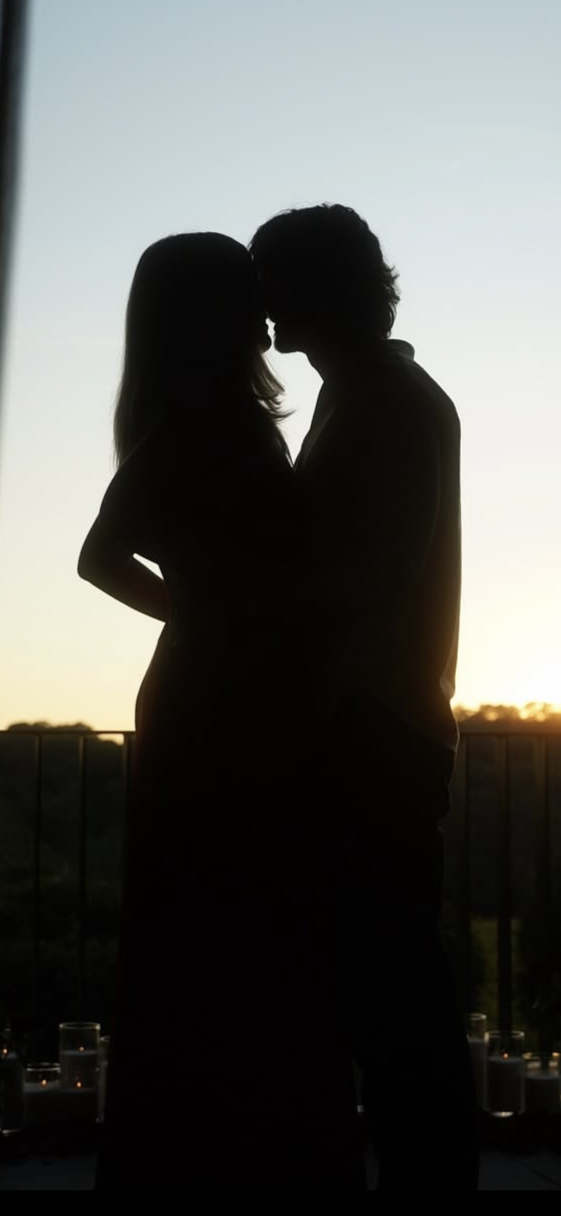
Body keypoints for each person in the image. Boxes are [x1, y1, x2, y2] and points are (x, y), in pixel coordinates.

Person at [78, 232, 363, 1190]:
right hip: (225, 707)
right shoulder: (210, 417)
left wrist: (201, 613)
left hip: (215, 694)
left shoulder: (200, 415)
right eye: (249, 292)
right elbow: (100, 554)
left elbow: (113, 558)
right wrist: (211, 615)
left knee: (210, 937)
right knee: (244, 933)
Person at [250, 204, 480, 1190]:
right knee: (390, 987)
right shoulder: (382, 394)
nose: (261, 314)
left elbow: (367, 570)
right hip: (385, 722)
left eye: (272, 286)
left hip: (372, 728)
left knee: (389, 993)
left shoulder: (381, 403)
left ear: (314, 290)